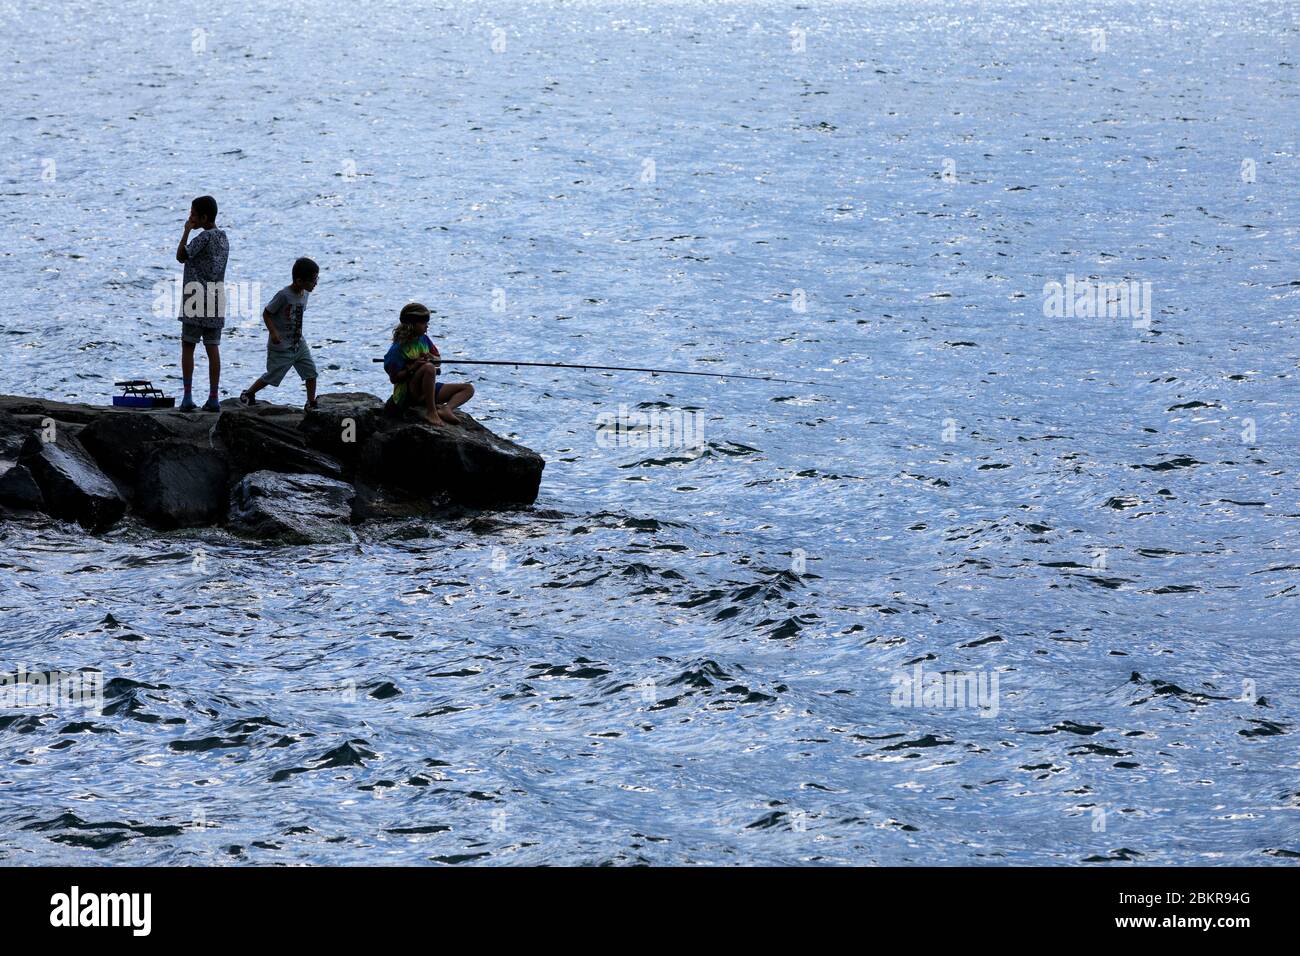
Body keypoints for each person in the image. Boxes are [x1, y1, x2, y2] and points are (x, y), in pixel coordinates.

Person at [239, 257, 320, 409]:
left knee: (311, 373)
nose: (315, 283)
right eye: (312, 280)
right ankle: (248, 393)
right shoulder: (283, 295)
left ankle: (311, 401)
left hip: (298, 343)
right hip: (281, 346)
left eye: (316, 279)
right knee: (272, 375)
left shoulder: (305, 294)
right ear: (299, 280)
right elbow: (267, 313)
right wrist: (274, 332)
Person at [175, 195, 229, 412]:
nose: (190, 218)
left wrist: (186, 231)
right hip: (217, 297)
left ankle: (187, 396)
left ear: (204, 217)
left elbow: (181, 256)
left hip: (195, 297)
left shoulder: (203, 238)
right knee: (213, 347)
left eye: (193, 215)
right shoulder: (224, 238)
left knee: (188, 345)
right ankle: (214, 397)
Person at [383, 302, 474, 426]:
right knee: (428, 368)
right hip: (408, 395)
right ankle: (431, 412)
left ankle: (446, 409)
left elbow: (438, 360)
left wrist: (432, 358)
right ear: (411, 324)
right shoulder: (398, 349)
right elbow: (394, 378)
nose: (427, 326)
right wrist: (413, 367)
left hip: (426, 391)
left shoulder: (424, 340)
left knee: (468, 389)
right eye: (423, 323)